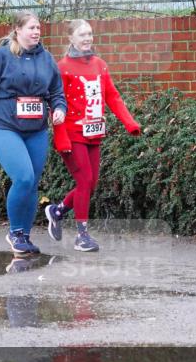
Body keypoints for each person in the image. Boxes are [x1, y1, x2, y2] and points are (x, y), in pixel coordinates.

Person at [0, 11, 66, 256]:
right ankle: (15, 232)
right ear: (17, 30)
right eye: (31, 28)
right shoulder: (2, 56)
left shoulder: (47, 59)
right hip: (5, 126)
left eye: (38, 28)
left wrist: (59, 108)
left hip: (36, 130)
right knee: (25, 178)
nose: (36, 32)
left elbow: (57, 92)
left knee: (32, 185)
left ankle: (25, 238)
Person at [45, 19, 141, 252]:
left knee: (90, 183)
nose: (87, 38)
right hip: (71, 134)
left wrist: (130, 124)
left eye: (89, 34)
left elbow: (113, 96)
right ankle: (82, 235)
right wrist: (61, 138)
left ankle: (57, 211)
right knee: (85, 181)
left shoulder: (100, 64)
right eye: (82, 34)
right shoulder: (62, 67)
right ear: (71, 39)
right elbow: (56, 104)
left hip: (94, 134)